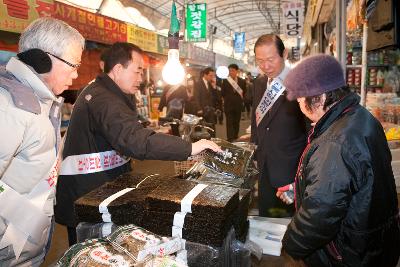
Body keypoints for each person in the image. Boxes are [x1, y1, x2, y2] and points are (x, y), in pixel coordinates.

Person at [55, 42, 221, 246]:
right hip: (87, 199)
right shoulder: (103, 99)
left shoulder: (108, 92)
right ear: (117, 69)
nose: (141, 79)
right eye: (138, 71)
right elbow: (133, 140)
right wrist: (189, 148)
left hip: (97, 193)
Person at [279, 54, 400, 266]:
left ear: (321, 97)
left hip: (350, 252)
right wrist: (299, 185)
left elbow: (320, 213)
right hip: (375, 240)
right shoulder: (361, 117)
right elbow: (347, 180)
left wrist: (291, 244)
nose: (298, 104)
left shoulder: (334, 143)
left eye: (300, 99)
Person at [0, 17, 84, 266]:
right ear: (42, 59)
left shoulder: (38, 103)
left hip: (22, 244)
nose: (77, 73)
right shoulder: (10, 109)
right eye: (73, 64)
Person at [250, 34, 307, 217]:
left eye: (270, 59)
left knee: (289, 224)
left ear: (284, 53)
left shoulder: (299, 83)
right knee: (266, 218)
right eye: (260, 61)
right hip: (265, 166)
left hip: (290, 169)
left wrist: (304, 173)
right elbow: (256, 118)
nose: (265, 66)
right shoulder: (259, 83)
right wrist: (254, 148)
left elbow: (310, 130)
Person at [221, 64, 246, 142]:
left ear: (237, 71)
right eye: (229, 70)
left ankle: (235, 136)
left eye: (232, 70)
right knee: (229, 122)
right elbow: (223, 93)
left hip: (238, 105)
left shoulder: (242, 81)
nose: (231, 72)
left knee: (236, 122)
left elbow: (244, 92)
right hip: (228, 105)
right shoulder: (225, 81)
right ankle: (230, 138)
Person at [194, 67, 218, 136]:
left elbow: (214, 96)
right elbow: (196, 97)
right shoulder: (198, 83)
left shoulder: (210, 84)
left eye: (213, 76)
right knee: (198, 127)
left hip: (209, 109)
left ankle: (212, 141)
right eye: (210, 75)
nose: (212, 77)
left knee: (211, 126)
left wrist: (214, 87)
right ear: (205, 75)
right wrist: (199, 108)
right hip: (200, 109)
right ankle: (197, 143)